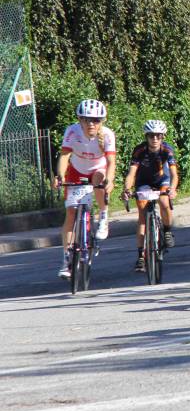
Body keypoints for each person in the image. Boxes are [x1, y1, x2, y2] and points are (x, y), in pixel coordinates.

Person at [54, 99, 116, 279]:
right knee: (71, 212)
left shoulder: (108, 135)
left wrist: (110, 180)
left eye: (96, 120)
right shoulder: (72, 131)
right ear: (79, 120)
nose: (91, 124)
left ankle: (103, 215)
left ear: (101, 122)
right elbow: (65, 156)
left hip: (98, 169)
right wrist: (60, 176)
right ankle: (67, 259)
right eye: (86, 119)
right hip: (77, 170)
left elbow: (111, 162)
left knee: (99, 179)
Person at [121, 119, 178, 271]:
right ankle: (141, 256)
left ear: (162, 137)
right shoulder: (139, 150)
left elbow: (174, 174)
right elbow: (131, 173)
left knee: (164, 202)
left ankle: (167, 231)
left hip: (162, 180)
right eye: (151, 136)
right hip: (144, 181)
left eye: (158, 136)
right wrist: (127, 189)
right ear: (146, 137)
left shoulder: (167, 150)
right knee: (142, 213)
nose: (154, 139)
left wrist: (172, 188)